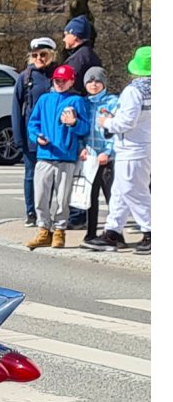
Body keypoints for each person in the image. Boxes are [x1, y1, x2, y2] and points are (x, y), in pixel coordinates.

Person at [85, 45, 151, 254]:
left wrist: (107, 122)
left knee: (133, 191)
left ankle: (151, 231)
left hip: (130, 147)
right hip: (146, 144)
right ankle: (113, 231)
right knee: (120, 192)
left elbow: (126, 123)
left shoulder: (134, 90)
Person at [24, 63, 88, 249]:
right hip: (45, 155)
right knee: (41, 196)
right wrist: (37, 137)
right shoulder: (44, 100)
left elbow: (84, 128)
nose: (59, 83)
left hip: (66, 157)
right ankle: (43, 229)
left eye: (63, 80)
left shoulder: (77, 101)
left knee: (63, 198)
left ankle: (59, 231)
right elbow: (32, 124)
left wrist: (74, 122)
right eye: (57, 80)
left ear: (71, 82)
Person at [11, 37, 58, 225]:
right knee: (31, 175)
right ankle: (31, 212)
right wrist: (18, 136)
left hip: (54, 135)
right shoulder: (25, 77)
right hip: (32, 135)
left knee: (51, 177)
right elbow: (16, 106)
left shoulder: (58, 75)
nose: (39, 58)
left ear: (52, 55)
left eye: (43, 54)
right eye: (35, 55)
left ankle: (45, 212)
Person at [77, 66, 119, 240]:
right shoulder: (83, 103)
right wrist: (81, 148)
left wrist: (108, 153)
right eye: (90, 81)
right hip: (91, 158)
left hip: (108, 159)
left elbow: (117, 131)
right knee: (90, 197)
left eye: (97, 81)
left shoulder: (113, 102)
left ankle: (115, 234)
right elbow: (79, 130)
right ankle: (91, 233)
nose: (94, 84)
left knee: (112, 198)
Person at [61, 15, 102, 98]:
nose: (64, 39)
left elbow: (69, 86)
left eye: (66, 35)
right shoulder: (89, 55)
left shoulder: (77, 60)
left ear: (74, 36)